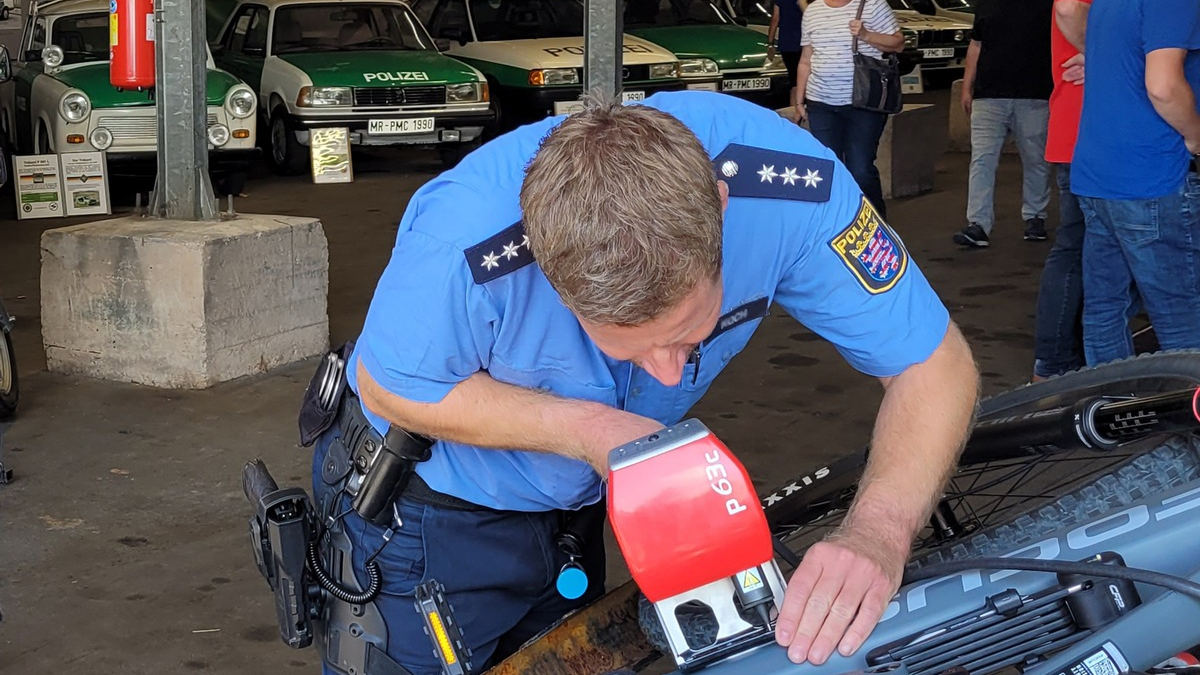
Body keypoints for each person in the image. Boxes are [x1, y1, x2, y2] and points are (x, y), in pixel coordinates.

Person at [309, 90, 978, 675]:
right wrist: (594, 431)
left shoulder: (791, 188)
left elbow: (934, 363)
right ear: (547, 271)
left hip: (571, 514)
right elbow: (391, 384)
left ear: (721, 206)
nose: (668, 372)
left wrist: (878, 533)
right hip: (424, 517)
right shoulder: (465, 239)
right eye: (629, 346)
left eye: (690, 333)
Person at [1070, 0, 1200, 366]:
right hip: (1152, 174)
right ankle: (1188, 415)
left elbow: (1070, 13)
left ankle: (1114, 410)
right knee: (1181, 316)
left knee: (1104, 310)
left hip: (1097, 171)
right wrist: (1196, 136)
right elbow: (1162, 86)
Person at [953, 0, 1054, 248]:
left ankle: (1035, 217)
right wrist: (967, 87)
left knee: (1036, 160)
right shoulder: (986, 3)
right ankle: (978, 224)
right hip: (989, 96)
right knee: (982, 160)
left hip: (1035, 95)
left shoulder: (1050, 4)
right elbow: (976, 45)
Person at [795, 0, 903, 219]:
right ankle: (837, 224)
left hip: (863, 104)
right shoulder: (813, 11)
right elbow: (806, 59)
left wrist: (866, 35)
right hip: (821, 103)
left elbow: (898, 43)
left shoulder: (873, 5)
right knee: (829, 170)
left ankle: (875, 223)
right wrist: (799, 100)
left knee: (860, 169)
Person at [1031, 0, 1089, 381]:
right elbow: (1068, 8)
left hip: (1078, 132)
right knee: (1081, 250)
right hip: (1087, 134)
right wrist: (1105, 54)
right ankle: (1054, 363)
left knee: (1083, 250)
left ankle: (1058, 361)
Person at [767, 0, 805, 108]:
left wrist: (770, 43)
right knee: (802, 79)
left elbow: (775, 19)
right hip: (802, 42)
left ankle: (793, 108)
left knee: (793, 79)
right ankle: (799, 107)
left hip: (786, 43)